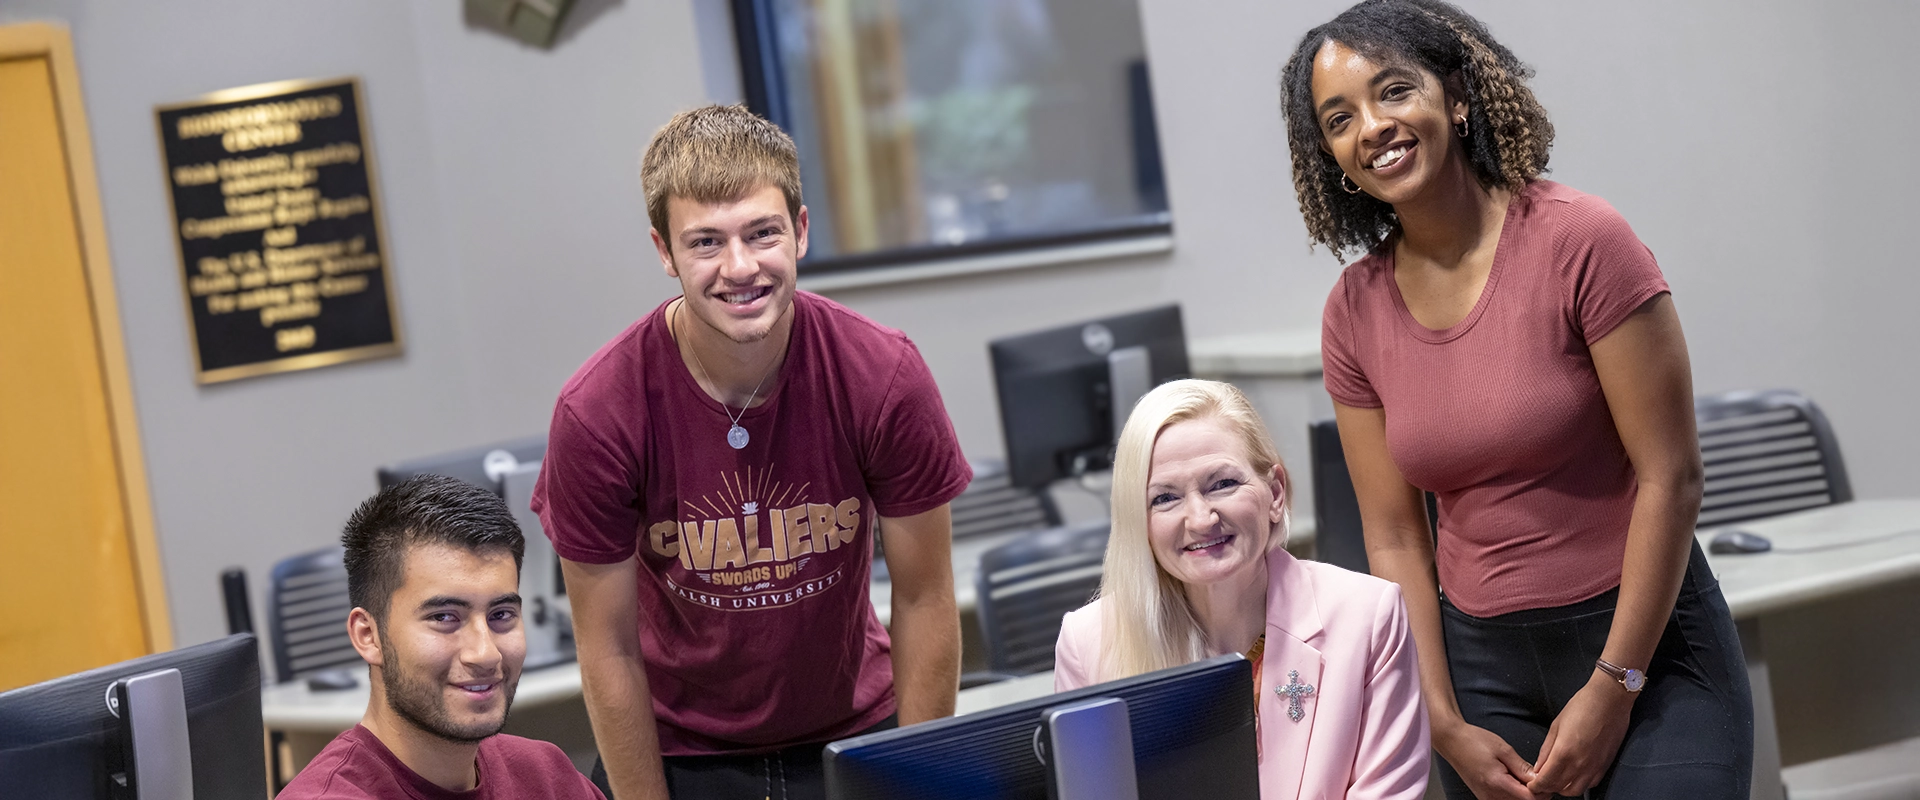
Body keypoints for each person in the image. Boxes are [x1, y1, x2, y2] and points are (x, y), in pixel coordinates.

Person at [1280, 2, 1754, 798]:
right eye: (1340, 118)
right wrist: (1437, 717)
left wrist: (1614, 686)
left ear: (1456, 96)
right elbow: (1395, 535)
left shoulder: (1582, 241)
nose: (1373, 126)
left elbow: (1672, 477)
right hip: (1484, 680)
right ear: (1330, 153)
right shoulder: (1352, 311)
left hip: (1653, 652)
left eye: (1395, 91)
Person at [531, 104, 973, 800]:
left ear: (799, 231)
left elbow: (925, 596)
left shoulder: (881, 374)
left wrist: (917, 779)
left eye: (761, 233)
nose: (740, 268)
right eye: (705, 242)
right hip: (682, 755)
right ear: (663, 252)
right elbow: (607, 649)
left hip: (855, 733)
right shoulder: (597, 412)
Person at [1054, 379, 1429, 800]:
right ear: (1137, 521)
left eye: (1222, 484)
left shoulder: (1368, 615)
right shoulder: (1087, 643)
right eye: (1164, 498)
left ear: (1274, 492)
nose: (1200, 519)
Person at [279, 475, 605, 799]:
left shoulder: (545, 775)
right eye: (444, 618)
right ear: (368, 635)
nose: (485, 653)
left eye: (501, 615)